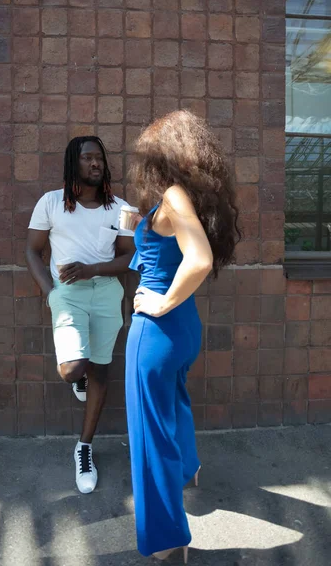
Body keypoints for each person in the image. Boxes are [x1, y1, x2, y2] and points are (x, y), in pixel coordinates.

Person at [125, 111, 240, 562]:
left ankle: (169, 539)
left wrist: (159, 302)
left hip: (157, 332)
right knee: (176, 402)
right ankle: (189, 469)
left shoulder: (172, 195)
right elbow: (179, 251)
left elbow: (199, 260)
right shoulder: (183, 197)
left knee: (148, 435)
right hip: (183, 329)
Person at [26, 136, 135, 494]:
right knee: (72, 368)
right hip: (67, 295)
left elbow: (129, 259)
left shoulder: (122, 208)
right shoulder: (50, 203)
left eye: (99, 158)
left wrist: (92, 270)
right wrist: (50, 292)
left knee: (101, 370)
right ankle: (79, 378)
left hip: (105, 293)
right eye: (87, 158)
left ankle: (84, 447)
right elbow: (32, 249)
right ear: (73, 163)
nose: (95, 163)